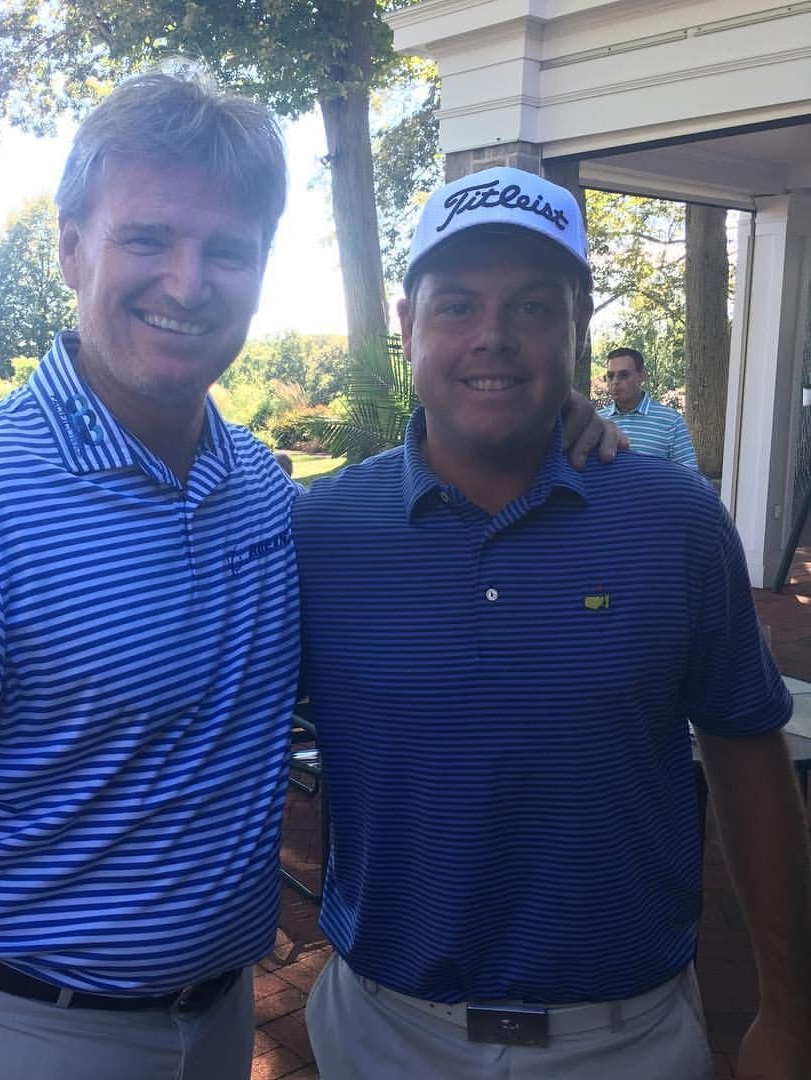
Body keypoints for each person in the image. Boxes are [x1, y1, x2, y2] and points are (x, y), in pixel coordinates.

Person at [0, 78, 617, 1080]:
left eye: (226, 250)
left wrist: (535, 416)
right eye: (148, 239)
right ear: (73, 247)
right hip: (7, 1028)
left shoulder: (258, 487)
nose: (187, 280)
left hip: (213, 1024)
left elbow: (415, 538)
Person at [294, 167, 811, 1080]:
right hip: (382, 1032)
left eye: (534, 307)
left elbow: (748, 754)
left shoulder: (676, 520)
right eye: (457, 305)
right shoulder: (319, 532)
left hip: (627, 1042)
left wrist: (790, 1015)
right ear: (407, 327)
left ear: (578, 332)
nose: (493, 336)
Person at [597, 346, 698, 468]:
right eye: (610, 376)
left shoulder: (671, 421)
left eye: (624, 375)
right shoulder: (598, 420)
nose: (615, 382)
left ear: (642, 376)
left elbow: (689, 472)